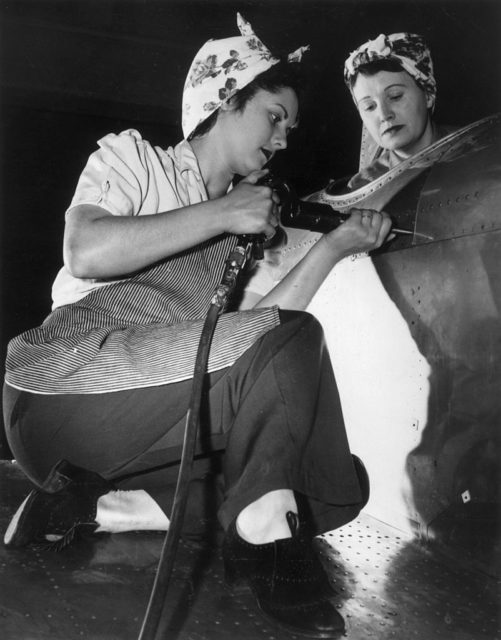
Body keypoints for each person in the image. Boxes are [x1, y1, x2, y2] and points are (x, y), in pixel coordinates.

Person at [2, 14, 392, 637]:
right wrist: (221, 213)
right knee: (288, 457)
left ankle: (98, 504)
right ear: (225, 102)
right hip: (60, 391)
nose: (285, 138)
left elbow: (263, 337)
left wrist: (337, 243)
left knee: (336, 485)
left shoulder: (245, 228)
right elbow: (87, 252)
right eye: (274, 115)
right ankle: (263, 536)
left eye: (290, 125)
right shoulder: (133, 157)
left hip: (134, 432)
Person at [342, 32, 455, 190]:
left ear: (428, 95)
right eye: (369, 107)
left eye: (395, 96)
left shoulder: (479, 151)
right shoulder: (361, 187)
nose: (384, 115)